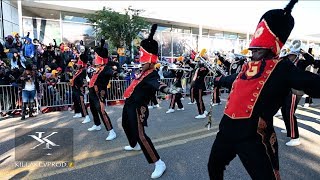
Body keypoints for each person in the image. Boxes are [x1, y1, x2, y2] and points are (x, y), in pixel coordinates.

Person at [207, 0, 320, 179]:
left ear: (271, 47)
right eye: (252, 49)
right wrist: (219, 79)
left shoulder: (282, 68)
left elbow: (311, 82)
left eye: (257, 49)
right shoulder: (247, 66)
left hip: (254, 138)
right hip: (226, 132)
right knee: (213, 167)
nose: (253, 53)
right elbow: (235, 80)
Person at [122, 24, 181, 179]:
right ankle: (133, 145)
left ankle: (158, 163)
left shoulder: (152, 75)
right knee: (125, 125)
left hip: (137, 108)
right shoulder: (142, 72)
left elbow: (159, 85)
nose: (140, 63)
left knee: (141, 135)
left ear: (150, 60)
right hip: (129, 104)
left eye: (143, 61)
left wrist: (170, 90)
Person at [279, 42, 315, 146]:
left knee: (290, 113)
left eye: (292, 55)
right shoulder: (287, 63)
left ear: (296, 55)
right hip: (287, 90)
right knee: (284, 111)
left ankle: (295, 138)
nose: (290, 56)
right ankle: (289, 129)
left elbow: (311, 60)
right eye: (289, 55)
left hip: (296, 90)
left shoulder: (300, 63)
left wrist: (303, 52)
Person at [87, 39, 117, 141]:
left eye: (96, 57)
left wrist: (117, 73)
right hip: (92, 92)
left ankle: (111, 131)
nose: (94, 59)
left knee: (101, 111)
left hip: (100, 93)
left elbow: (113, 73)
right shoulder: (98, 69)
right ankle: (97, 124)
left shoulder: (106, 68)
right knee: (92, 108)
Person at [71, 53, 91, 124]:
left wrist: (82, 87)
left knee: (82, 102)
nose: (77, 64)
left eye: (78, 63)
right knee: (76, 100)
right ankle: (78, 112)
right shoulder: (79, 70)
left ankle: (87, 116)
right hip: (75, 87)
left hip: (80, 88)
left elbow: (84, 80)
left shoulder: (83, 70)